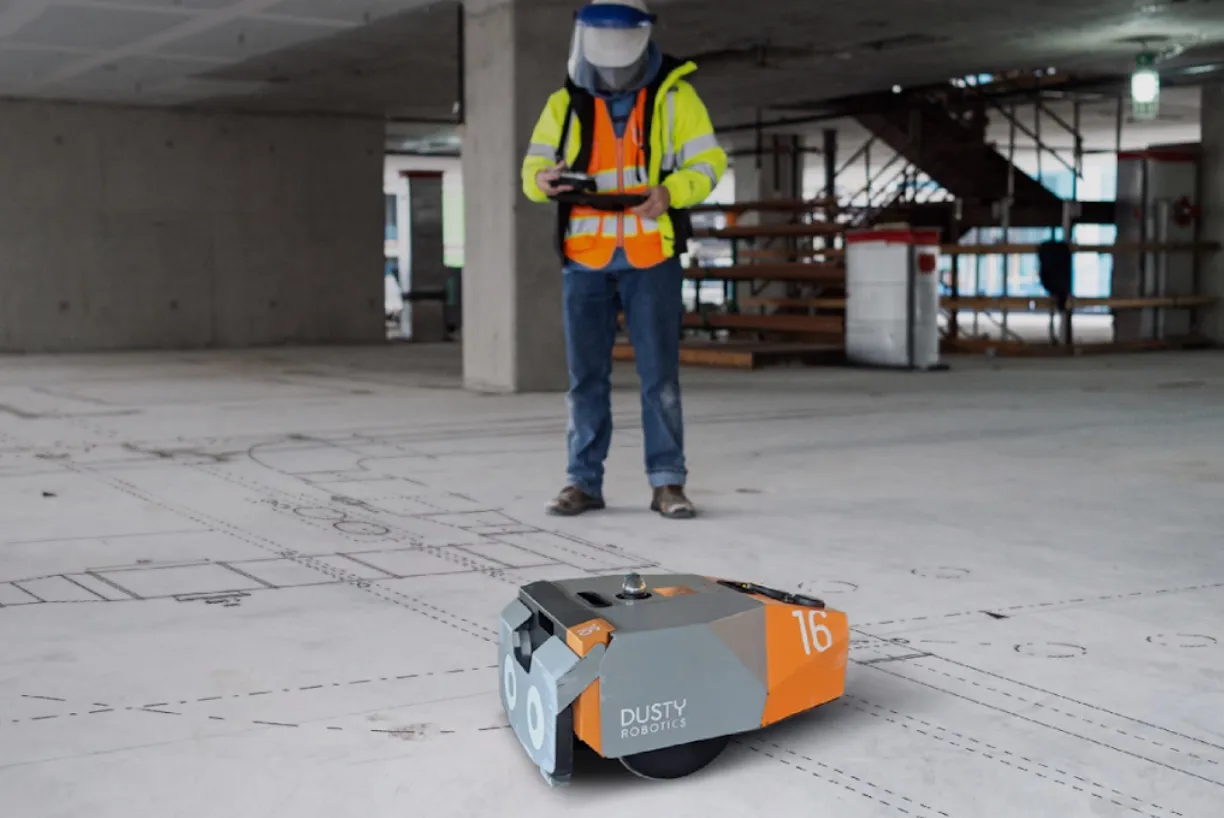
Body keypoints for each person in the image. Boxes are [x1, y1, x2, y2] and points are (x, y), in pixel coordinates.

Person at [520, 0, 726, 520]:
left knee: (660, 377)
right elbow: (532, 169)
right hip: (584, 256)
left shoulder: (677, 99)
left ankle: (668, 482)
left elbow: (709, 162)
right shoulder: (563, 103)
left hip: (650, 252)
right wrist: (542, 180)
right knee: (584, 379)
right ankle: (582, 482)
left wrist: (671, 192)